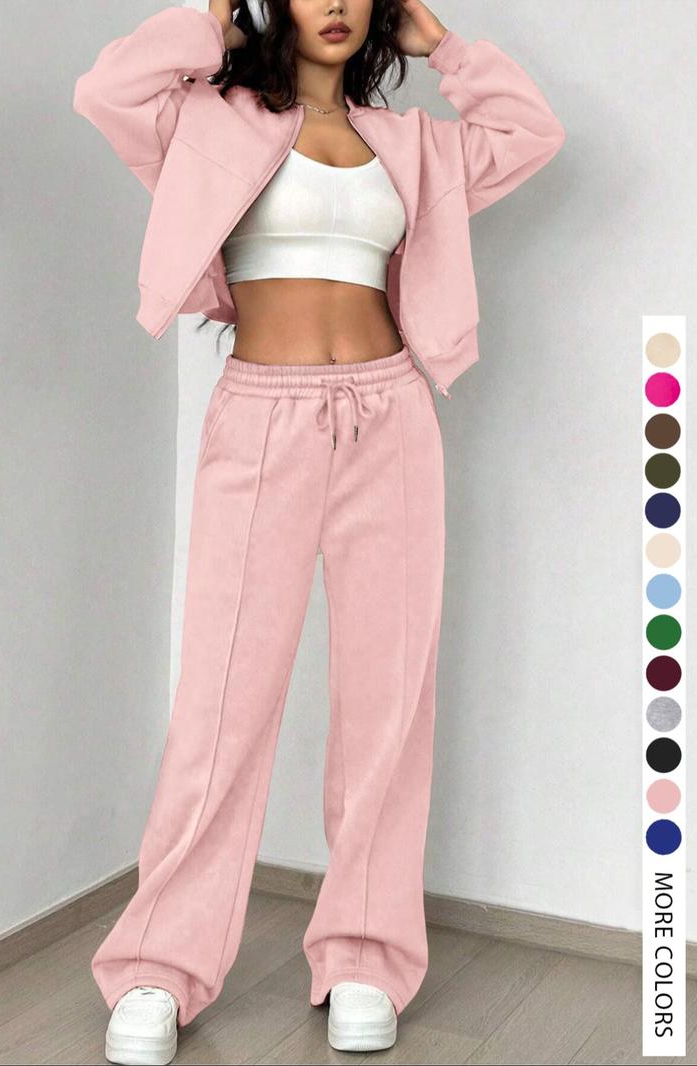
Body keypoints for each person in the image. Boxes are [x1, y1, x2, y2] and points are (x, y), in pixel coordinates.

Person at [72, 0, 565, 1061]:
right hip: (262, 417)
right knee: (221, 703)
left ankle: (362, 957)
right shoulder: (210, 121)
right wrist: (207, 20)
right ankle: (159, 964)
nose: (333, 4)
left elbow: (530, 133)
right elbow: (106, 91)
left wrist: (447, 48)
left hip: (393, 417)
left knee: (387, 703)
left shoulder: (412, 144)